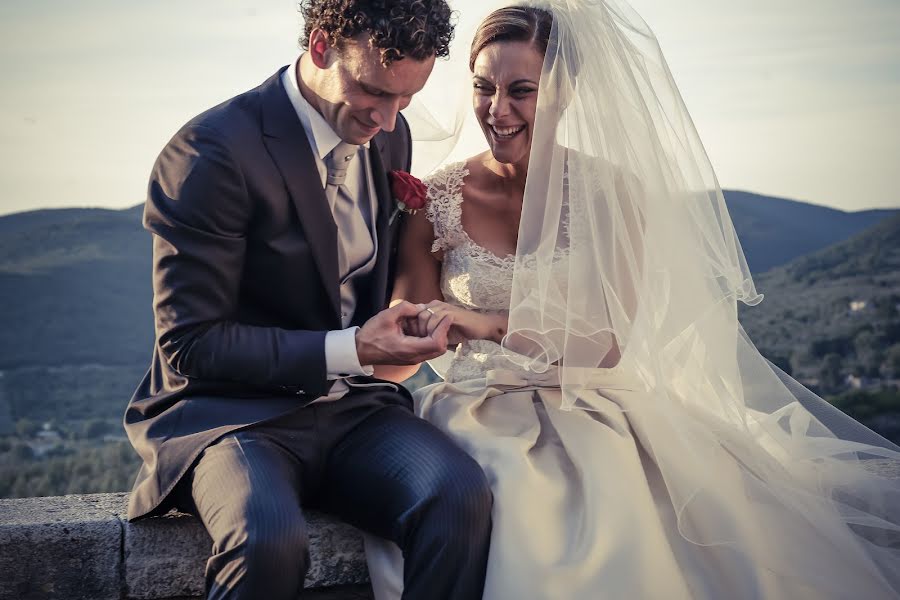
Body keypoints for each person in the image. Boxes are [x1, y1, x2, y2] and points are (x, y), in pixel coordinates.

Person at [365, 1, 900, 598]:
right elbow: (401, 351)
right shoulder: (433, 200)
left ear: (566, 94)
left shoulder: (611, 193)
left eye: (522, 91)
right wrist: (396, 337)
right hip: (473, 413)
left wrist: (485, 322)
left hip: (596, 405)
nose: (498, 110)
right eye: (484, 88)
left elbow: (607, 343)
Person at [122, 1, 494, 598]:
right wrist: (353, 346)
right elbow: (191, 345)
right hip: (234, 418)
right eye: (374, 90)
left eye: (407, 97)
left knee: (459, 496)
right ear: (321, 46)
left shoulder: (388, 135)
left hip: (352, 411)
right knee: (267, 538)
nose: (389, 117)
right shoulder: (210, 153)